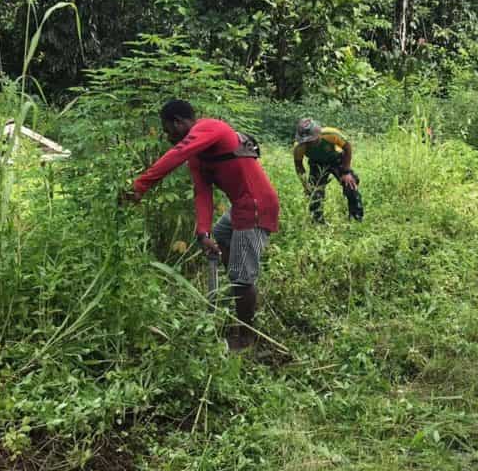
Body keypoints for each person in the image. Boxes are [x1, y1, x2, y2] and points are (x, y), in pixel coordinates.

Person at [122, 100, 279, 350]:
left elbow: (177, 153)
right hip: (240, 206)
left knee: (242, 276)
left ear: (179, 122)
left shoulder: (210, 127)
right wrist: (203, 232)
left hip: (257, 206)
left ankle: (246, 336)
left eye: (167, 130)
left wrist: (140, 185)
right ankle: (238, 288)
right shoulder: (198, 157)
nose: (167, 136)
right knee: (220, 234)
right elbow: (202, 193)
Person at [292, 118, 364, 223]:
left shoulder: (330, 134)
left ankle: (356, 218)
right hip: (316, 163)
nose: (309, 143)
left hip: (337, 159)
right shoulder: (299, 147)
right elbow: (299, 166)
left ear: (318, 134)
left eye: (311, 140)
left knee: (350, 184)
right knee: (314, 193)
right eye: (306, 141)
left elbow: (347, 147)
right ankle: (318, 222)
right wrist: (306, 185)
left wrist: (346, 172)